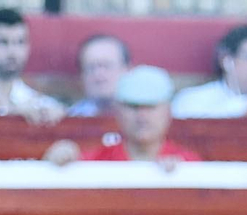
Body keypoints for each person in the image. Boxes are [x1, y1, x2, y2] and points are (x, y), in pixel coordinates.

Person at [44, 65, 202, 169]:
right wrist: (58, 160)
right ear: (118, 111)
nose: (142, 116)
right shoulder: (97, 161)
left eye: (150, 107)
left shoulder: (188, 163)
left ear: (167, 111)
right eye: (133, 107)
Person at [67, 34, 129, 118]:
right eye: (91, 68)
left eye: (106, 66)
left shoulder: (144, 117)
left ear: (126, 70)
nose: (98, 75)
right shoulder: (71, 118)